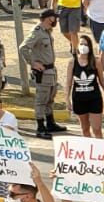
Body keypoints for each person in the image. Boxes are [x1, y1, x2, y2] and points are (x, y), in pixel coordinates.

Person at [20, 9, 68, 139]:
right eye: (54, 18)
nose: (55, 21)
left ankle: (50, 122)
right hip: (43, 72)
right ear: (48, 18)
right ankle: (40, 127)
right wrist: (33, 63)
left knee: (50, 98)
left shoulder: (46, 31)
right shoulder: (37, 32)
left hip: (51, 70)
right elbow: (23, 48)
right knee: (41, 100)